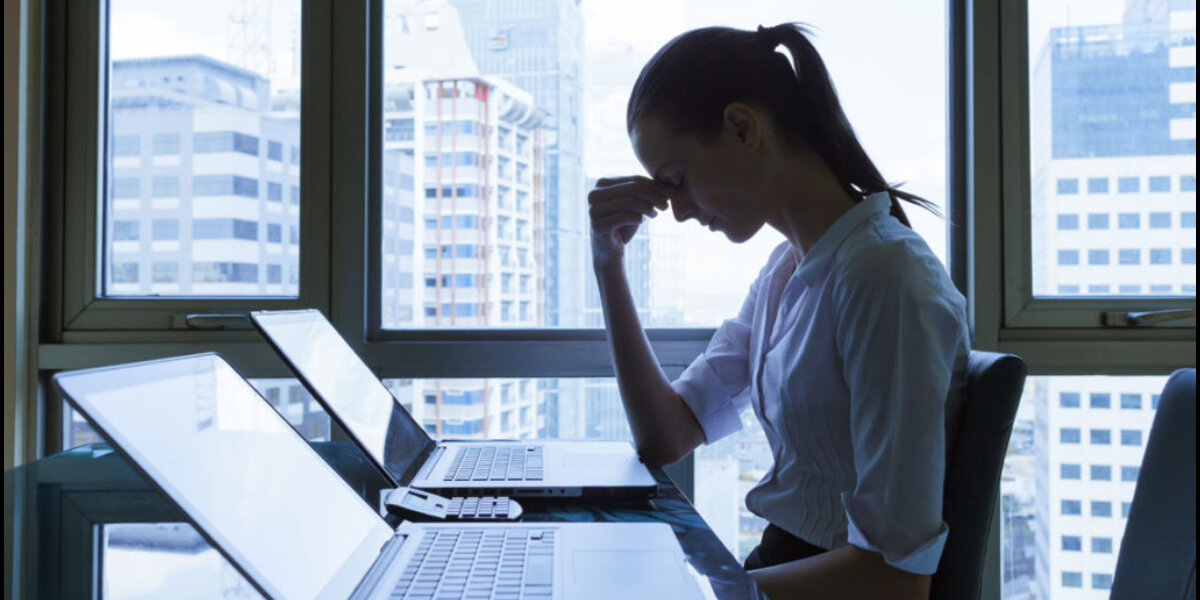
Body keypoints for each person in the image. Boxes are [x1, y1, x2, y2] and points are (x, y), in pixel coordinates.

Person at [588, 23, 969, 600]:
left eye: (679, 181)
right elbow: (664, 437)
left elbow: (896, 580)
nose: (681, 212)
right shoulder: (785, 273)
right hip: (777, 573)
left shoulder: (885, 279)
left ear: (742, 128)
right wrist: (608, 265)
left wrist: (701, 594)